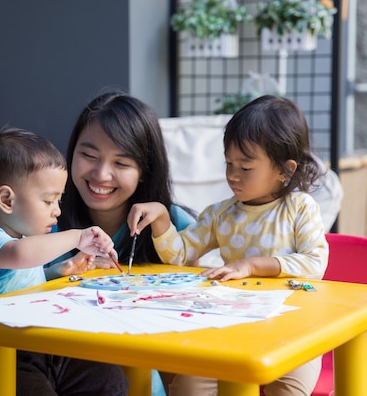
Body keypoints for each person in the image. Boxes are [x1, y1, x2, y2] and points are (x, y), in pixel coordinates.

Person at [128, 95, 329, 396]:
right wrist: (160, 218)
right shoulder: (220, 214)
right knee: (187, 387)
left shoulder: (300, 208)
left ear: (284, 170)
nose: (232, 175)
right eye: (229, 163)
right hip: (229, 333)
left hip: (296, 332)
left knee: (288, 391)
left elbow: (315, 263)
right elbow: (180, 255)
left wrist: (252, 265)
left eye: (246, 167)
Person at [0, 126, 129, 396]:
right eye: (48, 201)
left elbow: (18, 280)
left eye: (59, 200)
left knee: (108, 376)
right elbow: (20, 255)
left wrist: (59, 270)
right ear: (7, 200)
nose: (57, 211)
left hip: (38, 349)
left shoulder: (21, 240)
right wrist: (77, 237)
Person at [43, 90, 197, 396]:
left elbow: (202, 291)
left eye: (122, 162)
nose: (101, 174)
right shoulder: (46, 222)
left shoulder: (173, 224)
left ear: (145, 172)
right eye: (88, 155)